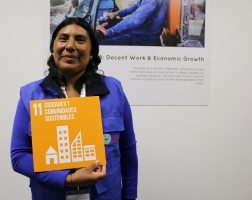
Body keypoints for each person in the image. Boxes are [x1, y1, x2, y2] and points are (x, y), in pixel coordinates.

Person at [10, 17, 138, 200]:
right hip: (51, 194)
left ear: (92, 52)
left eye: (80, 40)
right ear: (53, 48)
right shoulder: (30, 95)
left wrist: (130, 196)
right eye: (63, 39)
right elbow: (19, 156)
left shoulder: (114, 90)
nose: (70, 46)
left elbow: (128, 150)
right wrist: (67, 179)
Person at [96, 0, 168, 46]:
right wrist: (116, 13)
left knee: (100, 44)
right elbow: (136, 6)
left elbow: (135, 20)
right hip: (139, 32)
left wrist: (108, 32)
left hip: (142, 39)